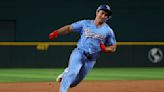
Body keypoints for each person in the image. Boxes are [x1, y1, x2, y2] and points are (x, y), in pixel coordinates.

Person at [49, 4, 117, 92]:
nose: (103, 16)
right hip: (79, 53)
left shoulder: (108, 31)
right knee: (72, 73)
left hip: (91, 60)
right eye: (102, 13)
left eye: (106, 15)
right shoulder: (85, 23)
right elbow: (69, 28)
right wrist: (57, 32)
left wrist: (105, 49)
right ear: (97, 12)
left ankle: (65, 73)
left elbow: (113, 47)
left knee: (74, 83)